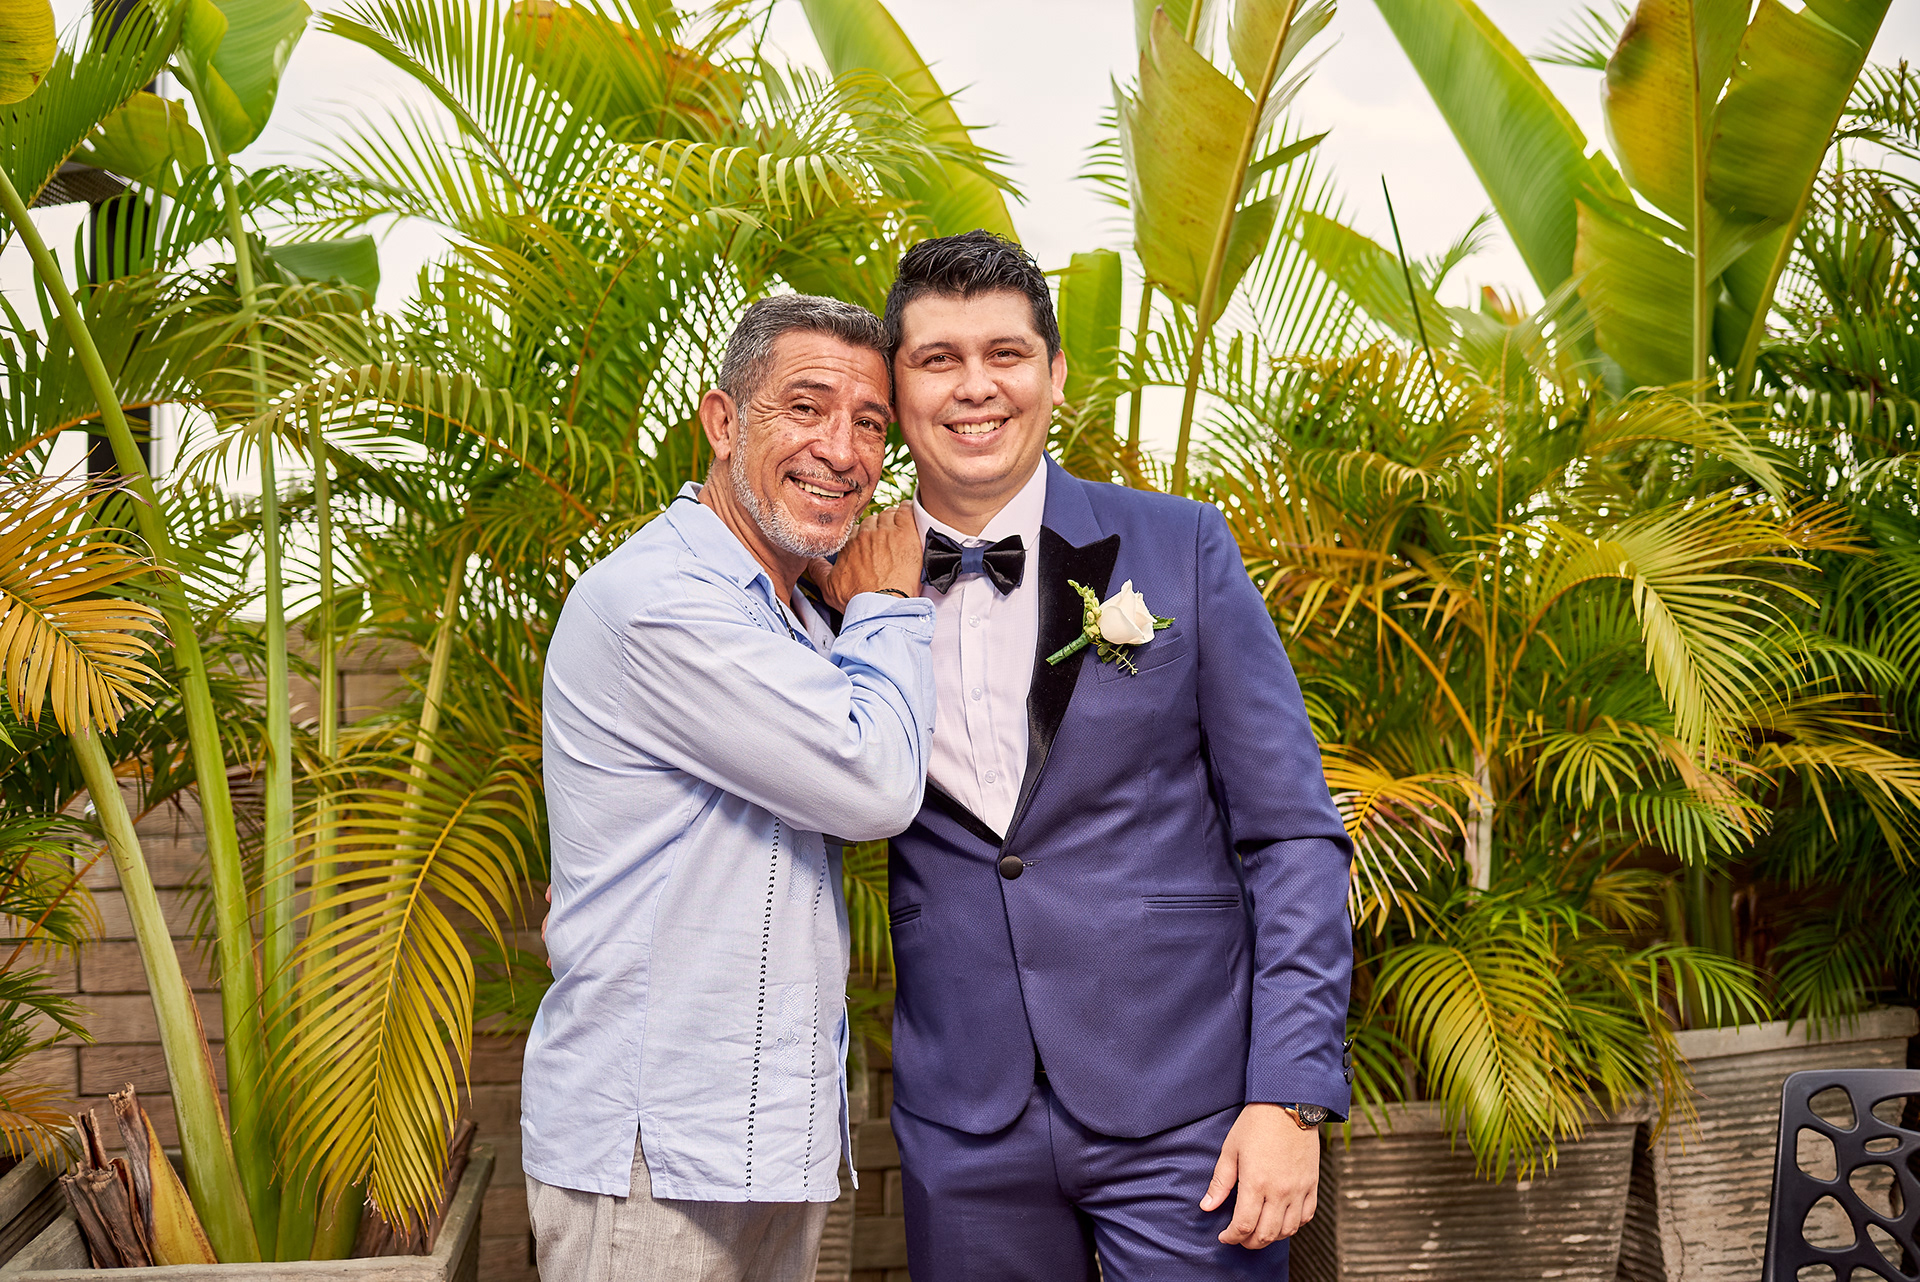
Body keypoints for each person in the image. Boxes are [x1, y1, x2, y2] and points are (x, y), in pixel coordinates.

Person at [819, 231, 1354, 1280]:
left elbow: (1292, 835)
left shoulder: (1183, 548)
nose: (976, 386)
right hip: (962, 1118)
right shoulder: (836, 585)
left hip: (1190, 1108)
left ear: (1055, 373)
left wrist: (1290, 1095)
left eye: (1006, 354)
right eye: (938, 359)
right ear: (898, 388)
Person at [523, 294, 934, 1282]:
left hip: (767, 1145)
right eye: (806, 407)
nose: (841, 450)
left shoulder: (795, 615)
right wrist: (886, 599)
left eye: (869, 423)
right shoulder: (662, 601)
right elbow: (877, 780)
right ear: (721, 421)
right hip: (652, 1155)